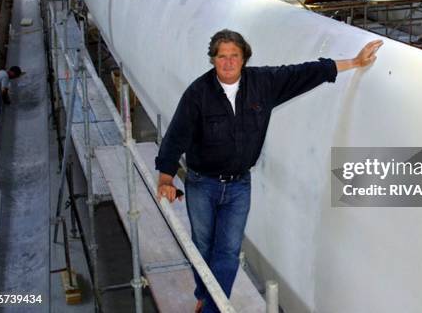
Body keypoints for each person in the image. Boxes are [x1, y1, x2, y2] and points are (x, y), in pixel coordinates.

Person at [155, 29, 382, 313]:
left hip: (239, 186)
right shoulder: (198, 94)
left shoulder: (263, 83)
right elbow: (177, 135)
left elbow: (306, 73)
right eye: (221, 57)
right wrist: (165, 177)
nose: (227, 63)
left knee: (226, 252)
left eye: (234, 56)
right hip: (202, 184)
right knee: (203, 247)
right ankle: (204, 292)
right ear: (213, 60)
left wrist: (355, 62)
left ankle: (211, 308)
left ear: (244, 58)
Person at [0, 66, 23, 132]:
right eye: (15, 75)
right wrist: (8, 102)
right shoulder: (5, 77)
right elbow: (4, 92)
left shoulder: (1, 72)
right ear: (12, 72)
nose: (15, 77)